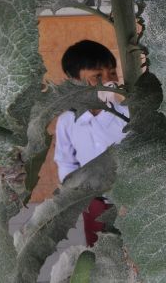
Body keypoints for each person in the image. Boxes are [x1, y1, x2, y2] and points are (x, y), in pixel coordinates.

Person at [54, 39, 129, 247]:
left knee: (132, 249)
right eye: (97, 76)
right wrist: (75, 192)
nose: (109, 81)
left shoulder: (128, 113)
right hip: (93, 201)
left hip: (130, 199)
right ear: (74, 81)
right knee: (98, 250)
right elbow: (66, 161)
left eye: (112, 73)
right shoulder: (68, 121)